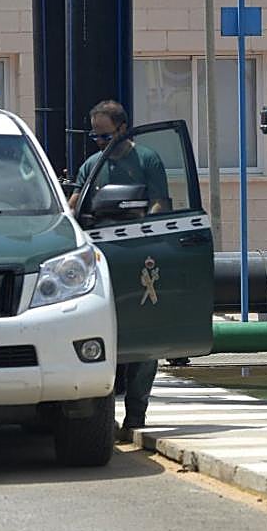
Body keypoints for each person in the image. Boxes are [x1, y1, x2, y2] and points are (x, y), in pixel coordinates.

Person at [67, 100, 168, 431]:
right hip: (99, 259)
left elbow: (159, 204)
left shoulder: (148, 160)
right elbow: (74, 207)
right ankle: (99, 418)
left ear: (123, 129)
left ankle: (136, 416)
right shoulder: (92, 166)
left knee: (144, 341)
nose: (98, 142)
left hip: (137, 257)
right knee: (96, 339)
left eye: (104, 135)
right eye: (94, 136)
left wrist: (142, 231)